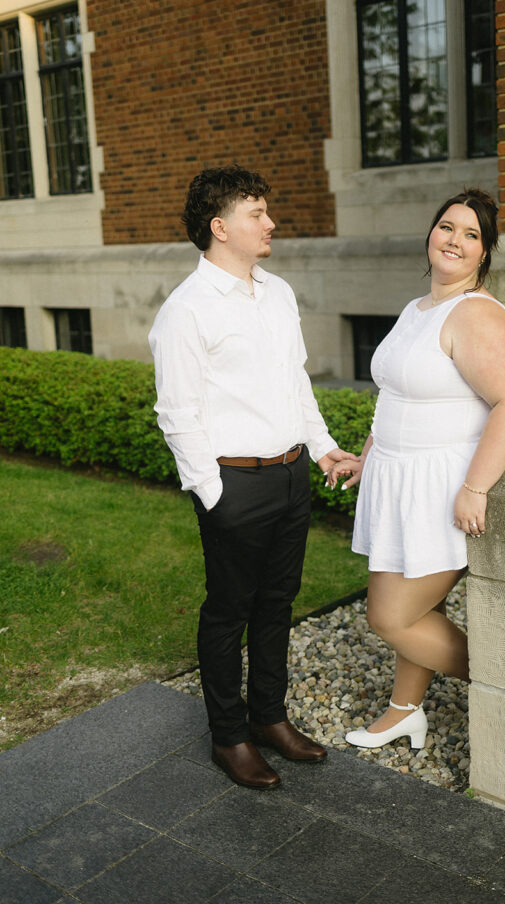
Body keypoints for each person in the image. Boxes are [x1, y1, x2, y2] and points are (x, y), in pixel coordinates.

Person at [149, 165, 357, 790]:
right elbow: (176, 413)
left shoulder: (279, 293)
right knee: (228, 613)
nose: (270, 223)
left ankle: (270, 719)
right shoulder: (186, 311)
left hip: (291, 476)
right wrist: (213, 493)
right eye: (255, 214)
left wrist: (320, 449)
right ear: (220, 228)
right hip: (234, 487)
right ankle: (229, 736)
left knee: (277, 605)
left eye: (267, 211)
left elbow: (295, 382)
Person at [327, 189, 505, 750]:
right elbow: (395, 394)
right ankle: (404, 711)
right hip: (399, 480)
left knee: (391, 616)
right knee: (421, 607)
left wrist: (475, 487)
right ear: (431, 234)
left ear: (484, 254)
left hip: (446, 485)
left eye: (471, 235)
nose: (455, 241)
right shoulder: (417, 309)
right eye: (448, 227)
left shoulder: (476, 314)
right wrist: (367, 455)